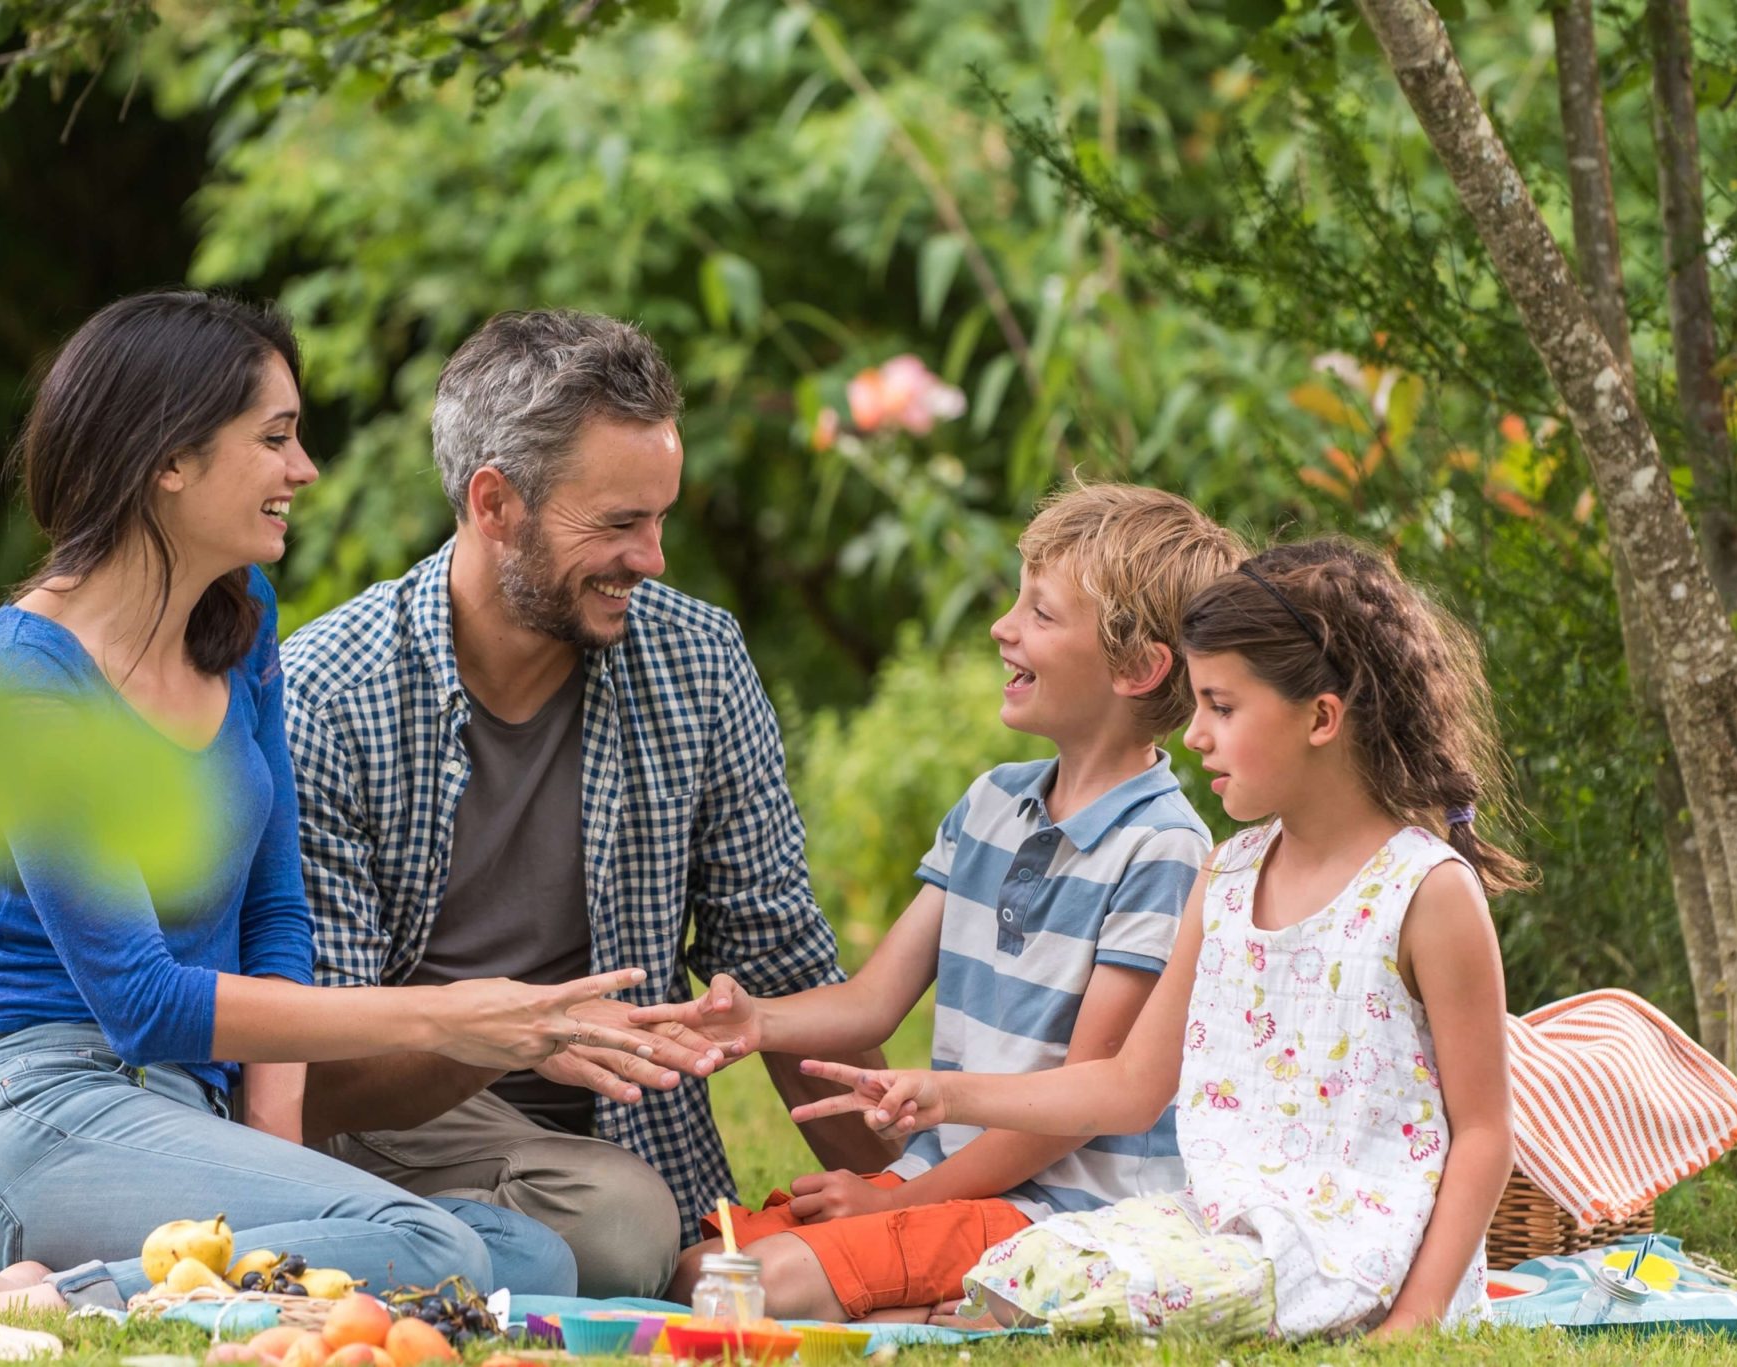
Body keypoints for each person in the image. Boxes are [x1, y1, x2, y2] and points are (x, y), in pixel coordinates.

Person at [0, 290, 666, 1316]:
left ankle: (84, 1284)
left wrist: (274, 1146)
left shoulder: (240, 618)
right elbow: (142, 997)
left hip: (187, 1107)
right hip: (47, 1108)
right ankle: (42, 1293)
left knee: (526, 1259)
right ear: (169, 457)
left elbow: (274, 911)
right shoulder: (27, 674)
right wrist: (450, 1013)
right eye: (274, 438)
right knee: (422, 1241)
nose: (302, 469)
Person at [280, 309, 890, 1298]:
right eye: (615, 524)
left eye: (659, 519)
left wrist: (913, 1191)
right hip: (393, 1122)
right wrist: (506, 1033)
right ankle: (419, 1243)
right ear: (494, 503)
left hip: (620, 1140)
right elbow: (314, 1066)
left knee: (624, 1214)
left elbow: (776, 959)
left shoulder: (696, 660)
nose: (649, 557)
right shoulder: (325, 696)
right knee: (620, 1224)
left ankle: (464, 1255)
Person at [792, 538, 1525, 1343]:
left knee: (1084, 1284)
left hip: (1352, 1247)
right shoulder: (1230, 875)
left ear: (1321, 716)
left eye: (1222, 706)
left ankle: (988, 1322)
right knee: (1027, 1263)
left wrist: (1415, 1323)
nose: (1195, 735)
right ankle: (977, 1318)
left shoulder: (1425, 890)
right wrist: (948, 1094)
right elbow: (1131, 1085)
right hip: (1216, 1226)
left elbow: (1485, 1131)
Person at [637, 484, 1243, 1321]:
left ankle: (960, 1313)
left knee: (735, 1289)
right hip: (946, 1181)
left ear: (1137, 667)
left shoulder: (1162, 849)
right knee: (697, 1264)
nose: (1003, 626)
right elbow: (871, 1002)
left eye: (1040, 612)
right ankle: (926, 1313)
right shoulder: (992, 803)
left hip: (1057, 1216)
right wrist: (757, 1025)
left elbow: (1075, 1110)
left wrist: (897, 1206)